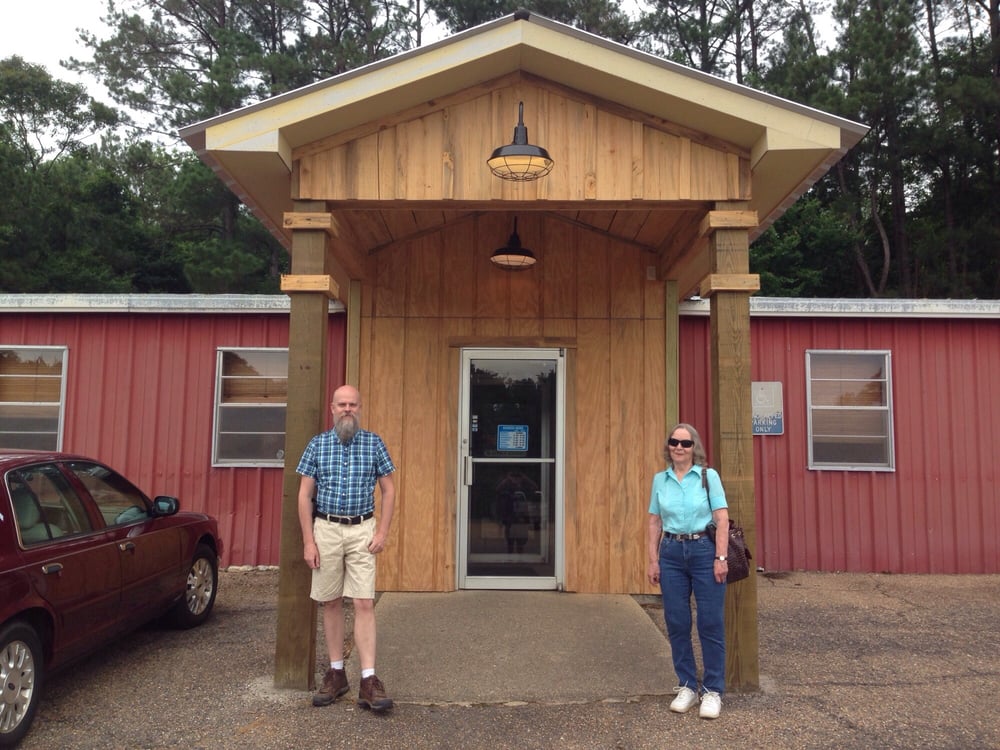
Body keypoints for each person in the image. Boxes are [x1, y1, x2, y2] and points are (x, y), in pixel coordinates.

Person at [297, 384, 397, 712]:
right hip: (325, 528)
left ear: (360, 407)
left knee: (365, 601)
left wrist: (382, 531)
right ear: (332, 408)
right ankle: (337, 673)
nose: (348, 409)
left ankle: (369, 680)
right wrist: (309, 541)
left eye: (353, 404)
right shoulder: (317, 445)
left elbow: (389, 490)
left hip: (362, 529)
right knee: (330, 602)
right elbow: (304, 495)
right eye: (342, 404)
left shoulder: (373, 443)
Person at [646, 423, 730, 720]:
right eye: (674, 442)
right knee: (677, 621)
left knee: (710, 622)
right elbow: (655, 522)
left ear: (695, 447)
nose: (679, 447)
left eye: (686, 443)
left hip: (704, 551)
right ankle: (686, 686)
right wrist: (652, 560)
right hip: (670, 554)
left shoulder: (709, 477)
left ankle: (712, 690)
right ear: (668, 446)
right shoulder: (661, 480)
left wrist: (721, 557)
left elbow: (722, 520)